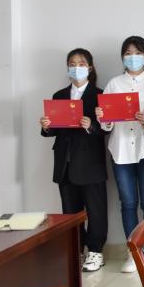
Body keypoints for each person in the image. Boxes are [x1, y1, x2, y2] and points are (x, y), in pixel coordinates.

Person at [97, 35, 144, 273]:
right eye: (128, 53)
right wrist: (103, 118)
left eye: (137, 52)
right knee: (128, 202)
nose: (133, 57)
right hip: (121, 149)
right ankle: (133, 253)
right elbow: (106, 126)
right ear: (122, 57)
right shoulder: (114, 84)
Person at [39, 48, 107, 272]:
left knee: (96, 209)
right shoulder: (59, 95)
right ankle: (76, 248)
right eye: (72, 64)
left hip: (90, 161)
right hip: (65, 161)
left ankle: (96, 251)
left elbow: (107, 128)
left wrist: (91, 126)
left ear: (90, 67)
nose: (76, 68)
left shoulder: (99, 95)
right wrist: (46, 126)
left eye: (81, 64)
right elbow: (54, 130)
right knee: (70, 211)